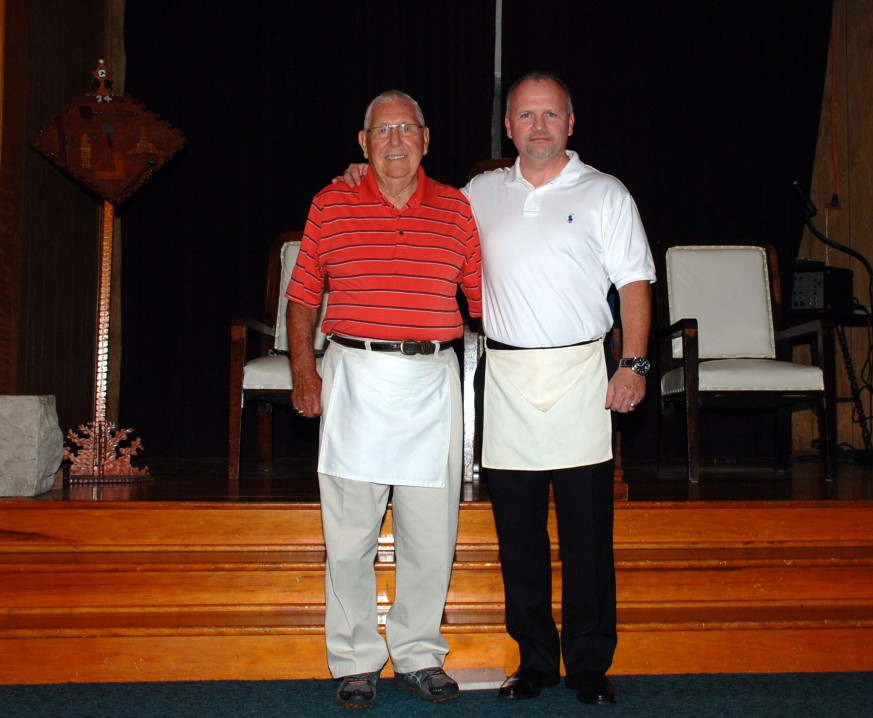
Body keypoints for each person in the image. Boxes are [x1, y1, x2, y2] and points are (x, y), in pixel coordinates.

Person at [336, 71, 655, 707]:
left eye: (550, 115)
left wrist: (636, 365)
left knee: (588, 534)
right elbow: (410, 188)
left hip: (583, 376)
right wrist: (361, 173)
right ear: (508, 127)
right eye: (526, 116)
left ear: (571, 123)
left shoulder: (607, 193)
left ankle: (589, 664)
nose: (539, 126)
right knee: (520, 534)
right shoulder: (478, 194)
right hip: (505, 378)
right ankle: (534, 660)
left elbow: (635, 285)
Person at [286, 89, 482, 709]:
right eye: (382, 130)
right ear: (363, 143)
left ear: (426, 139)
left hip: (431, 379)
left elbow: (482, 301)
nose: (395, 140)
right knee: (349, 536)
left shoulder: (457, 209)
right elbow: (302, 298)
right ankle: (354, 660)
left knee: (432, 532)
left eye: (406, 128)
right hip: (354, 374)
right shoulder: (330, 203)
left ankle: (420, 653)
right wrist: (304, 372)